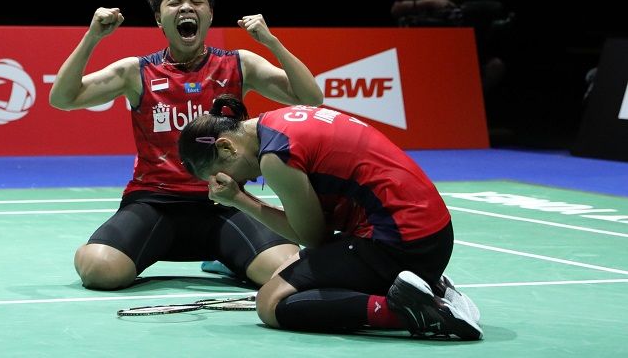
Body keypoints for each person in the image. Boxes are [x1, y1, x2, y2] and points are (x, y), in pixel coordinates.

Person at [49, 0, 323, 290]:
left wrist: (272, 42)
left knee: (289, 270)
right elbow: (62, 98)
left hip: (225, 199)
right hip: (154, 203)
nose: (186, 7)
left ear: (208, 14)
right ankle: (227, 259)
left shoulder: (238, 65)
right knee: (98, 270)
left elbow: (310, 98)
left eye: (196, 1)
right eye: (175, 2)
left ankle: (228, 260)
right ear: (159, 19)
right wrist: (93, 37)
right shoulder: (136, 72)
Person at [178, 95, 483, 340]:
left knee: (270, 302)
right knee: (291, 265)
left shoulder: (275, 158)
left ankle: (415, 310)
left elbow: (313, 237)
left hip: (401, 243)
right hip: (430, 232)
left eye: (221, 174)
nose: (233, 181)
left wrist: (237, 199)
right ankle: (425, 285)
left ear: (226, 147)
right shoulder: (279, 120)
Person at [390, 0, 512, 96]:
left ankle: (465, 105)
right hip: (422, 45)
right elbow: (396, 9)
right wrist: (430, 2)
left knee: (495, 67)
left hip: (456, 46)